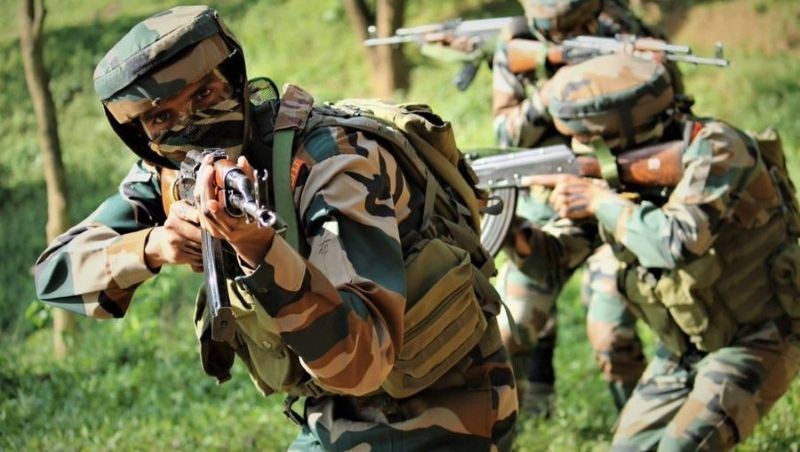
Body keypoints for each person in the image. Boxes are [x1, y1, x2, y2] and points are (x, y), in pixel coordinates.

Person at [33, 6, 518, 450]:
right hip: (339, 410)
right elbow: (54, 273)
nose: (193, 124)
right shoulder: (169, 171)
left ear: (235, 82)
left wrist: (260, 250)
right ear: (142, 135)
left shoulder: (332, 164)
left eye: (205, 94)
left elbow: (362, 362)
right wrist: (155, 245)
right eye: (163, 117)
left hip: (446, 405)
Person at [515, 52, 800, 450]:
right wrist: (507, 225)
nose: (577, 150)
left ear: (618, 134)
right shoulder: (614, 174)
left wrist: (599, 201)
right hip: (685, 347)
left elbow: (677, 241)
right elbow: (552, 261)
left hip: (758, 338)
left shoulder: (718, 148)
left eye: (584, 142)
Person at [490, 0, 680, 416]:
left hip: (622, 202)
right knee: (508, 327)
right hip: (548, 205)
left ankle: (639, 429)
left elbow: (670, 119)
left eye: (577, 27)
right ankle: (507, 423)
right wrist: (552, 91)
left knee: (610, 335)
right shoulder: (521, 44)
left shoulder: (623, 34)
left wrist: (637, 66)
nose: (565, 37)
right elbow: (506, 132)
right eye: (554, 33)